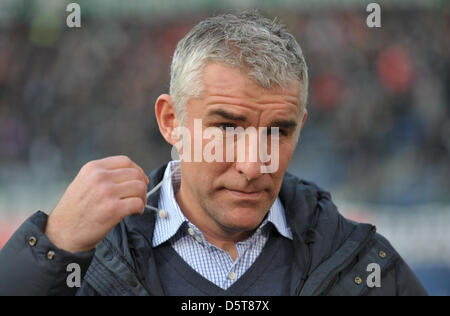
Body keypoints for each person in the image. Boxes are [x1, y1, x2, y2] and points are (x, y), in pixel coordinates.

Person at [0, 11, 427, 296]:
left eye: (279, 130)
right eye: (227, 127)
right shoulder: (84, 258)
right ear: (171, 121)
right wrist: (49, 249)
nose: (254, 163)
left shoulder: (364, 263)